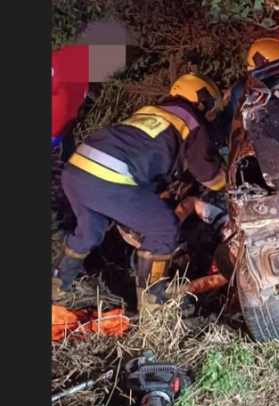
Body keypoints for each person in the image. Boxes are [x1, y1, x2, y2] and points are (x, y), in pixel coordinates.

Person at [52, 73, 227, 311]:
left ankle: (56, 286)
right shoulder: (190, 120)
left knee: (88, 233)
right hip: (109, 175)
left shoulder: (151, 112)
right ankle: (154, 303)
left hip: (77, 170)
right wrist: (229, 185)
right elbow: (208, 174)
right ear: (202, 101)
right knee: (163, 226)